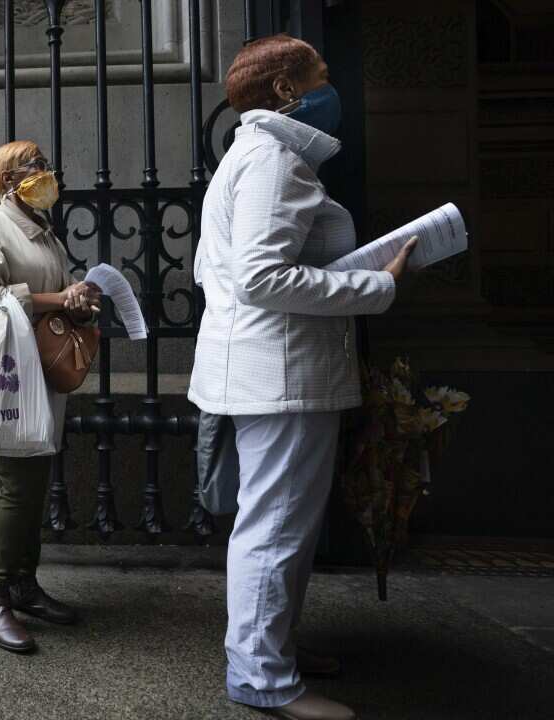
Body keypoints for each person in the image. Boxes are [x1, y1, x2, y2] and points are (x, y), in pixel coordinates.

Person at [189, 35, 417, 720]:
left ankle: (271, 651)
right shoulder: (275, 160)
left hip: (272, 370)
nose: (331, 81)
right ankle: (262, 678)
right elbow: (262, 278)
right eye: (320, 72)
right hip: (280, 376)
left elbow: (225, 271)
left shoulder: (253, 155)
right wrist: (374, 285)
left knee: (278, 526)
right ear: (287, 90)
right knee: (278, 527)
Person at [0, 140, 101, 653]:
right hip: (8, 371)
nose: (45, 171)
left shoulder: (44, 232)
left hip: (42, 366)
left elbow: (49, 300)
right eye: (33, 165)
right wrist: (59, 297)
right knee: (19, 481)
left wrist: (77, 300)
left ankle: (22, 583)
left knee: (36, 477)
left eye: (45, 163)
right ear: (7, 179)